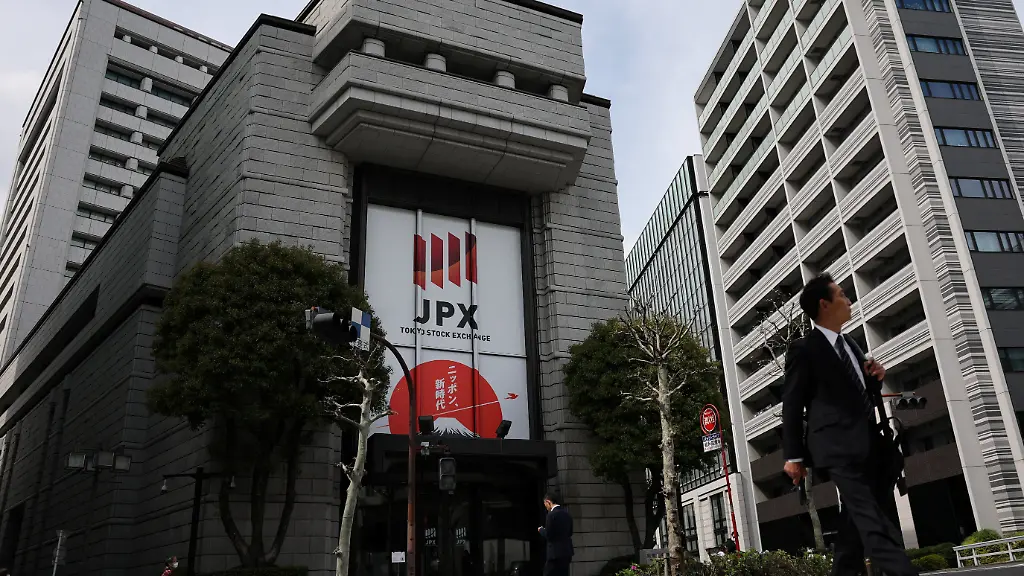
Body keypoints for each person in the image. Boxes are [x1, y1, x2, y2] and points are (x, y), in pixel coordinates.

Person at [782, 274, 918, 576]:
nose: (848, 300)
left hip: (872, 443)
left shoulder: (852, 344)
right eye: (842, 294)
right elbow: (791, 404)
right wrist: (793, 456)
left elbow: (860, 391)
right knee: (871, 518)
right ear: (824, 304)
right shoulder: (804, 349)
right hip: (836, 447)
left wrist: (876, 376)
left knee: (855, 525)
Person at [538, 492, 573, 576]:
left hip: (554, 553)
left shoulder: (551, 515)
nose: (546, 507)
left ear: (548, 502)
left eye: (545, 504)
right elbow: (570, 532)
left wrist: (541, 530)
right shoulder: (567, 514)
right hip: (566, 551)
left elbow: (549, 535)